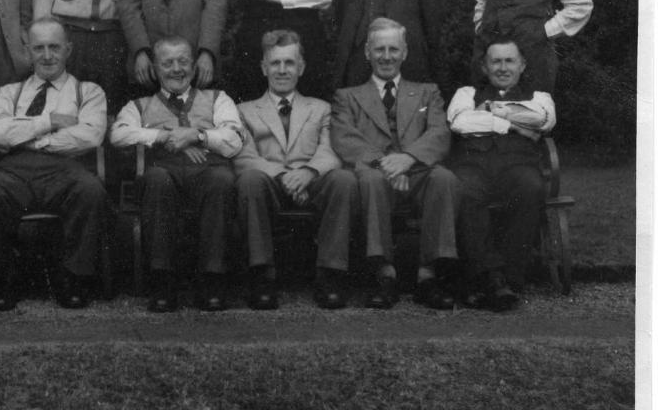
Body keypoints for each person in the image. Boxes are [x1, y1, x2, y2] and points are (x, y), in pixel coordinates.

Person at [0, 18, 107, 310]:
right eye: (39, 48)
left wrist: (30, 137)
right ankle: (1, 280)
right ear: (28, 51)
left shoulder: (88, 92)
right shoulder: (9, 92)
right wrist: (49, 122)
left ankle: (73, 278)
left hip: (64, 169)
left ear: (68, 49)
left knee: (90, 190)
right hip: (13, 170)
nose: (47, 56)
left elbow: (89, 136)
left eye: (54, 47)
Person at [331, 17, 460, 310]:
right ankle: (383, 274)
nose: (386, 57)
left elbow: (439, 132)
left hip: (417, 171)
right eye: (379, 50)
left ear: (405, 52)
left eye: (393, 49)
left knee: (444, 179)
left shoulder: (428, 92)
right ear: (367, 52)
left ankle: (429, 275)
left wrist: (408, 158)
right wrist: (385, 164)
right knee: (372, 180)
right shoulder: (347, 96)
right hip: (375, 173)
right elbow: (344, 138)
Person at [110, 36, 243, 312]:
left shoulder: (218, 98)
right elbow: (119, 134)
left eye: (183, 61)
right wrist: (165, 136)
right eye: (167, 63)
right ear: (156, 70)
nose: (176, 69)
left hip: (207, 174)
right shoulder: (139, 105)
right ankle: (162, 281)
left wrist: (196, 135)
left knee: (222, 179)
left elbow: (234, 138)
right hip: (165, 176)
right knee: (156, 179)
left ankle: (212, 280)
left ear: (194, 67)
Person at [234, 30, 357, 310]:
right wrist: (282, 176)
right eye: (275, 63)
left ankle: (330, 274)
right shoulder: (244, 111)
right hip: (269, 181)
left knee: (343, 179)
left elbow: (331, 149)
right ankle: (262, 274)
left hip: (311, 180)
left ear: (301, 67)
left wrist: (309, 173)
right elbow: (244, 156)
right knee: (249, 179)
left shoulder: (321, 108)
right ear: (263, 67)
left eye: (289, 63)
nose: (282, 70)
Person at [448, 32, 555, 311]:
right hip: (474, 165)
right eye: (496, 62)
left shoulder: (540, 96)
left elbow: (542, 119)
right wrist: (513, 124)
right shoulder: (466, 93)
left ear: (522, 65)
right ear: (484, 66)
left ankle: (509, 277)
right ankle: (490, 276)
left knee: (530, 187)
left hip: (518, 165)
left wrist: (492, 110)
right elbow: (460, 122)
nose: (503, 68)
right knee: (464, 190)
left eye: (510, 61)